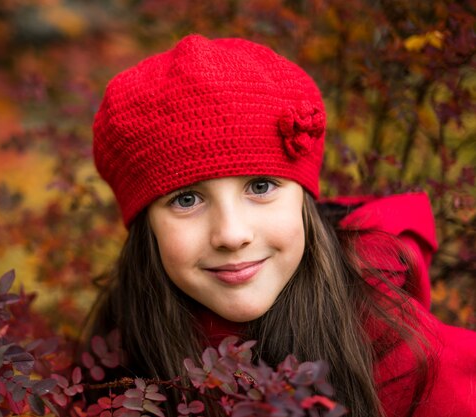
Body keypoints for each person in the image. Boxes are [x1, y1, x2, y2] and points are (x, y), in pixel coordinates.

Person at [85, 34, 476, 417]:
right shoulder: (118, 356)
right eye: (187, 199)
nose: (233, 235)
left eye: (260, 186)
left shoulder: (396, 350)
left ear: (303, 201)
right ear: (146, 228)